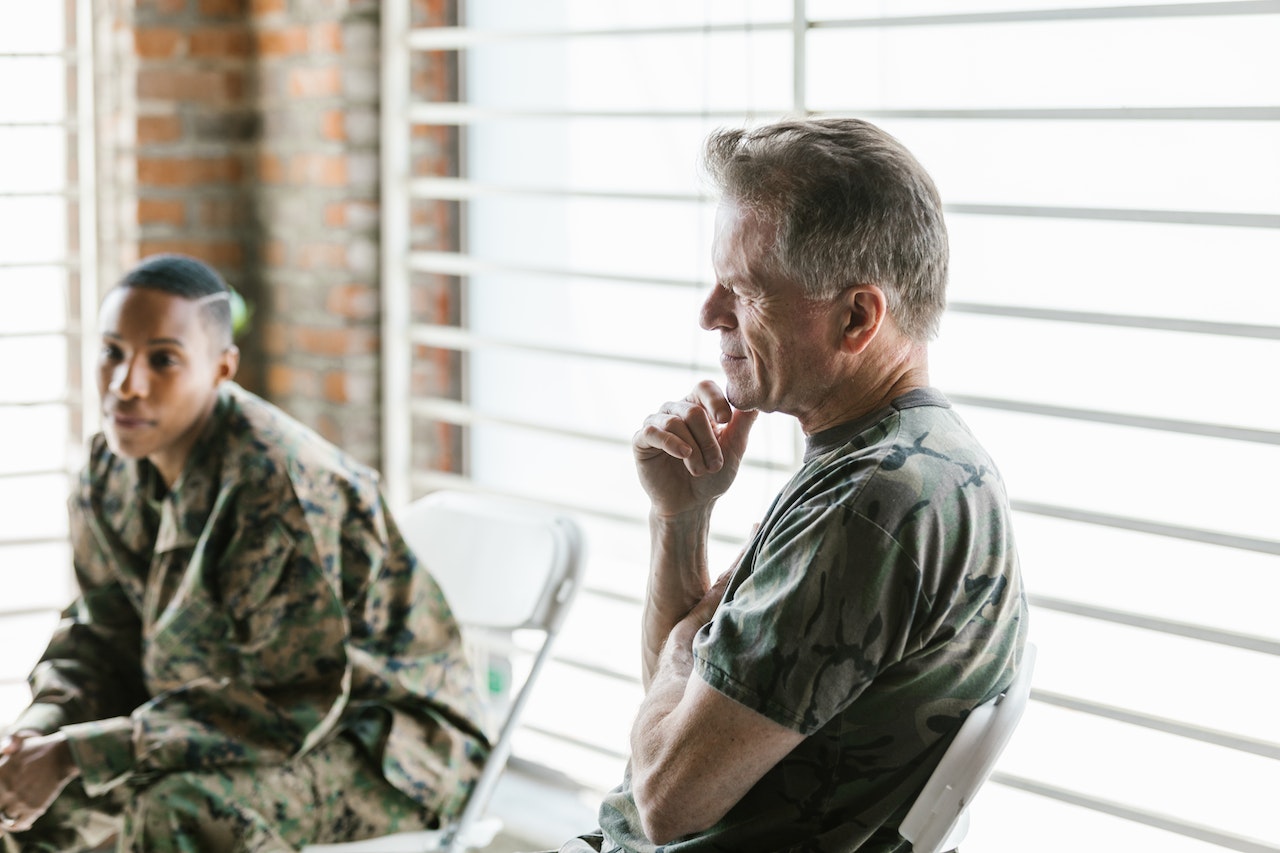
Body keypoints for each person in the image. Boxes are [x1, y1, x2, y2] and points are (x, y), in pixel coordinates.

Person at [567, 118, 1028, 852]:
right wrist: (681, 518)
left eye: (744, 290)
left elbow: (661, 796)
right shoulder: (909, 460)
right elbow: (677, 722)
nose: (710, 313)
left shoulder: (870, 504)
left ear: (857, 316)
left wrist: (690, 641)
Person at [0, 255, 489, 852]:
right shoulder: (110, 470)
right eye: (110, 351)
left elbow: (288, 707)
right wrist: (38, 734)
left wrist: (80, 751)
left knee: (178, 811)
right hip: (219, 726)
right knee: (23, 799)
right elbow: (102, 640)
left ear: (221, 369)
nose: (126, 383)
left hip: (387, 750)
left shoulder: (278, 489)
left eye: (163, 359)